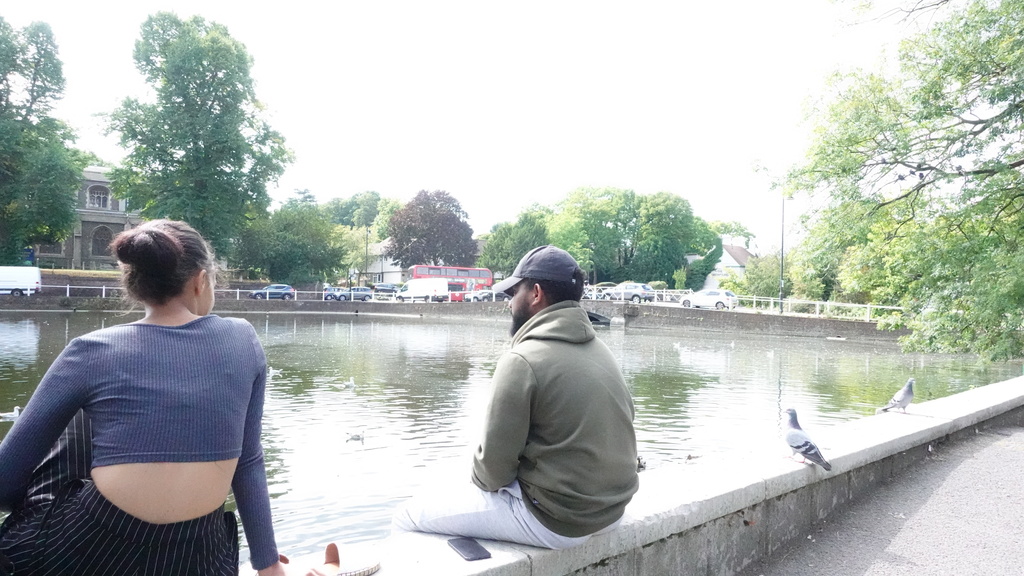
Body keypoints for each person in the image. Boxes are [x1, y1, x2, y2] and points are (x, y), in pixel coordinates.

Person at [0, 220, 288, 575]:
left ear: (135, 285)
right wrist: (268, 564)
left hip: (89, 552)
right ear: (200, 281)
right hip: (200, 555)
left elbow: (5, 478)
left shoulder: (90, 351)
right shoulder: (242, 339)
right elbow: (248, 461)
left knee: (81, 419)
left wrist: (31, 505)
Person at [392, 245, 639, 548]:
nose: (508, 304)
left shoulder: (523, 360)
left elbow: (492, 474)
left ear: (535, 294)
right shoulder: (603, 352)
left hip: (558, 520)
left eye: (513, 294)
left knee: (408, 515)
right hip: (610, 512)